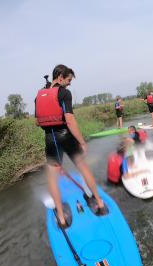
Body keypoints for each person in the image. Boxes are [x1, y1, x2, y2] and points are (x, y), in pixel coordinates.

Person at [35, 64, 105, 228]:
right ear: (60, 77)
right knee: (83, 168)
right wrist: (81, 141)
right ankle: (99, 203)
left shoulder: (39, 95)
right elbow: (70, 120)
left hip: (50, 139)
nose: (70, 83)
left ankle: (61, 216)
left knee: (52, 177)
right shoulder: (64, 93)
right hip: (66, 136)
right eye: (68, 79)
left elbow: (37, 121)